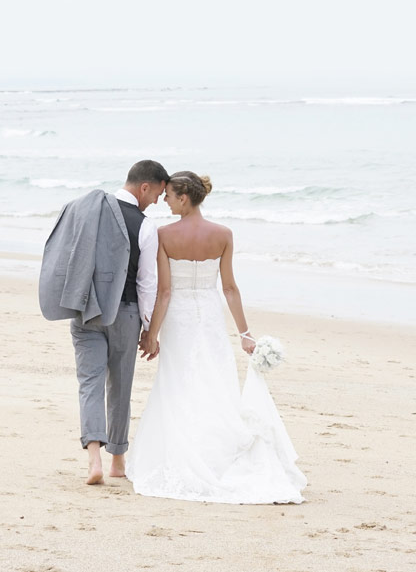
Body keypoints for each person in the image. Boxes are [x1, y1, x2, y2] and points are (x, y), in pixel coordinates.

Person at [128, 171, 307, 504]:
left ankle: (186, 449)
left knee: (178, 382)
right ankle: (218, 448)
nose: (164, 200)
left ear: (184, 198)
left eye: (168, 195)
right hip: (209, 315)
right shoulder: (223, 234)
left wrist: (151, 334)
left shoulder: (164, 235)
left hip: (179, 317)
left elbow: (165, 292)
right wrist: (245, 333)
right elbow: (229, 287)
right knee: (214, 379)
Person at [38, 160, 170, 485]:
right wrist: (150, 331)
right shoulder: (146, 226)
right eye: (157, 194)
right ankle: (118, 462)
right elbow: (147, 282)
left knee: (90, 384)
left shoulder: (84, 209)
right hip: (124, 313)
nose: (156, 202)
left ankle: (93, 457)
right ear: (145, 187)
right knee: (120, 385)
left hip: (85, 309)